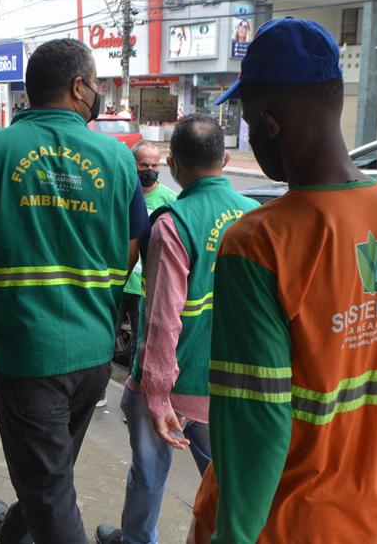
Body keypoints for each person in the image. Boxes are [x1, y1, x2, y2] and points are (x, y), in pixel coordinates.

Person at [189, 18, 377, 543]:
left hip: (281, 524)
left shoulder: (259, 243)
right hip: (372, 519)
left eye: (251, 120)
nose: (251, 132)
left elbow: (256, 423)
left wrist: (229, 535)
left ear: (271, 124)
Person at [0, 38, 150, 544]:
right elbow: (131, 245)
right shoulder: (118, 161)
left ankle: (25, 525)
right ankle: (12, 529)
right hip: (95, 354)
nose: (97, 93)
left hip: (28, 355)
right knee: (51, 471)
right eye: (96, 84)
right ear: (79, 87)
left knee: (50, 487)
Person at [96, 116, 259, 544]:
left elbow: (163, 318)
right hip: (231, 388)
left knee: (148, 477)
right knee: (225, 482)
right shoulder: (258, 218)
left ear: (171, 162)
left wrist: (156, 393)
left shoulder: (174, 223)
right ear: (225, 159)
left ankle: (136, 541)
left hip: (174, 387)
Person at [100, 140, 177, 407]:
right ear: (133, 166)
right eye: (144, 165)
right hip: (118, 280)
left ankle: (133, 399)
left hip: (147, 285)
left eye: (155, 165)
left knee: (141, 345)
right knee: (106, 337)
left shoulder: (169, 200)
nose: (150, 170)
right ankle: (98, 392)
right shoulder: (118, 193)